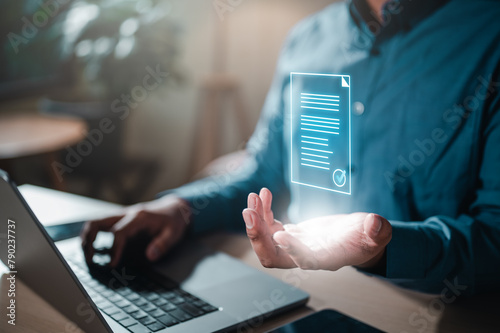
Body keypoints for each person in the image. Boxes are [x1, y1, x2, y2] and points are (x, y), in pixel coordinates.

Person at [81, 0, 500, 295]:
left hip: (423, 308)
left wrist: (382, 252)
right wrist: (181, 208)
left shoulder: (488, 37)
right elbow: (263, 172)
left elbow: (494, 238)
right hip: (292, 293)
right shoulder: (307, 40)